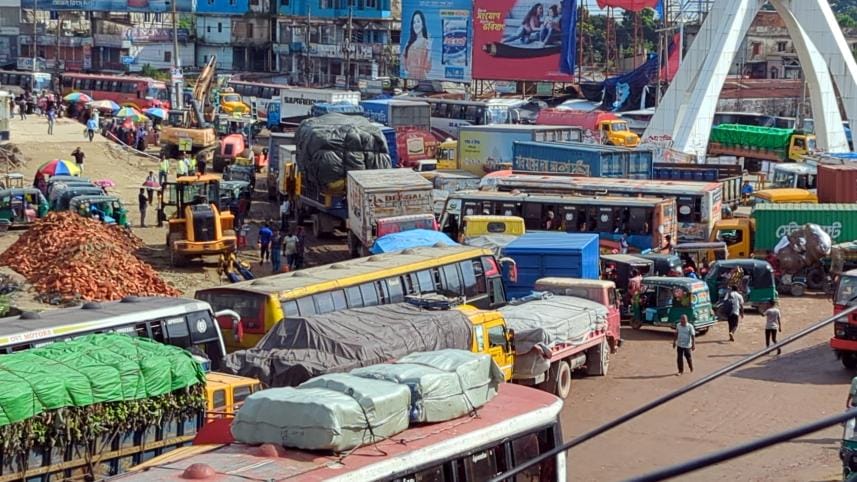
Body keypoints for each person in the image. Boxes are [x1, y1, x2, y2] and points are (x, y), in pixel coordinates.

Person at [402, 10, 431, 79]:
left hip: (422, 79)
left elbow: (427, 69)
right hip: (410, 78)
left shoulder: (426, 43)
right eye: (414, 22)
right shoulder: (409, 43)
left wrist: (429, 50)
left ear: (423, 24)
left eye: (418, 21)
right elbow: (403, 62)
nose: (416, 24)